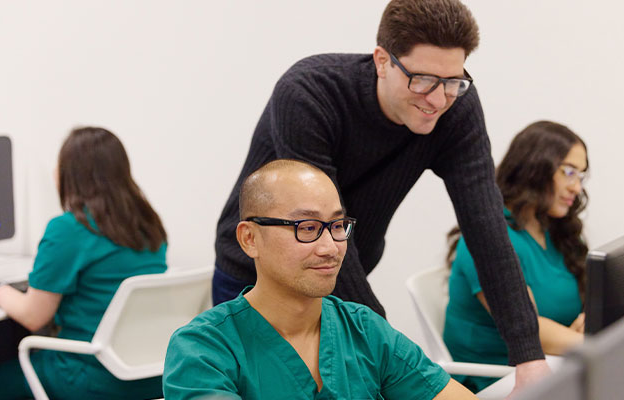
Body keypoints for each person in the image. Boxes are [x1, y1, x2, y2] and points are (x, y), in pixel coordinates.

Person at [213, 0, 550, 389]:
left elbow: (487, 228)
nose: (437, 100)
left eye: (452, 82)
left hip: (341, 267)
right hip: (257, 275)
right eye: (422, 79)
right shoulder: (310, 93)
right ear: (382, 61)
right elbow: (321, 227)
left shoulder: (456, 108)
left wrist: (529, 357)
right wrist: (390, 356)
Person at [164, 159, 477, 399]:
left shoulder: (363, 330)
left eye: (338, 225)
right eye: (308, 227)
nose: (331, 248)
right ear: (250, 239)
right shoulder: (204, 350)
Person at [0, 127, 167, 399]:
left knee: (3, 381)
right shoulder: (149, 226)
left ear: (70, 175)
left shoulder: (68, 230)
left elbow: (34, 317)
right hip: (149, 375)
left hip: (95, 377)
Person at [443, 121, 588, 392]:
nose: (577, 188)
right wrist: (600, 341)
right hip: (500, 381)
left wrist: (589, 321)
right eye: (569, 172)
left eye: (581, 175)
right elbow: (533, 332)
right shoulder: (487, 240)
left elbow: (581, 300)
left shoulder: (557, 232)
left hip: (556, 365)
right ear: (535, 169)